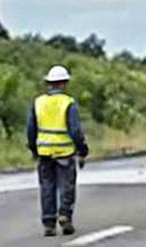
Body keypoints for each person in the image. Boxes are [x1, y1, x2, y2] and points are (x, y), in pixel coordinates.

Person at [27, 65, 89, 237]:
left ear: (49, 83)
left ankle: (48, 223)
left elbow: (31, 129)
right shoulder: (68, 103)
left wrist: (34, 149)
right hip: (64, 152)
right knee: (67, 186)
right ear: (64, 83)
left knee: (47, 186)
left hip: (44, 152)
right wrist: (82, 149)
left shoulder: (38, 102)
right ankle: (64, 215)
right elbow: (75, 131)